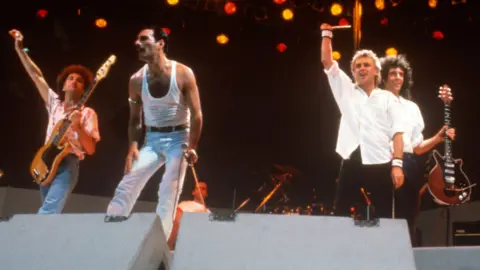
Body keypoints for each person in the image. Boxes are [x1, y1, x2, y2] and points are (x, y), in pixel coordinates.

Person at [104, 27, 203, 241]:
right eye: (136, 40)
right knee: (128, 182)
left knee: (168, 191)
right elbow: (134, 119)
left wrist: (192, 146)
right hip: (152, 140)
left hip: (179, 139)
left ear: (160, 43)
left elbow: (197, 115)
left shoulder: (183, 73)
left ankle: (157, 243)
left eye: (143, 39)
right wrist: (132, 146)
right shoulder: (136, 80)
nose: (137, 44)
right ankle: (110, 232)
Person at [10, 29, 100, 214]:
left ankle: (29, 239)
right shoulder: (54, 104)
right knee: (49, 212)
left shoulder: (88, 113)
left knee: (49, 210)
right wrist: (19, 49)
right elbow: (36, 76)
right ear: (64, 84)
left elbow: (90, 149)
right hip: (44, 160)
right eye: (71, 78)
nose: (74, 81)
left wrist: (79, 126)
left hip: (68, 162)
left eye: (80, 80)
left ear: (84, 89)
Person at [320, 23, 405, 219]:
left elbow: (397, 133)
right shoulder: (346, 91)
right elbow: (327, 62)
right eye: (357, 66)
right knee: (340, 213)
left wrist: (397, 165)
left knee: (384, 215)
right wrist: (326, 34)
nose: (361, 68)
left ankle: (384, 249)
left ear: (376, 71)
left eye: (366, 65)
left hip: (381, 160)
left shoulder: (388, 98)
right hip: (353, 157)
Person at [379, 54, 455, 245]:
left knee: (409, 216)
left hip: (410, 163)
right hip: (385, 160)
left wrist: (438, 138)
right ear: (384, 77)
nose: (398, 77)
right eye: (393, 73)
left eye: (401, 74)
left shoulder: (411, 107)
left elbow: (417, 148)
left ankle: (406, 256)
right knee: (388, 215)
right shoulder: (376, 102)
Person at [168, 181, 210, 250]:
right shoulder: (184, 205)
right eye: (198, 188)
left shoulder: (208, 213)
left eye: (203, 189)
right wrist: (170, 244)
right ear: (193, 192)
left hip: (200, 246)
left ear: (206, 193)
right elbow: (176, 223)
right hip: (184, 242)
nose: (201, 190)